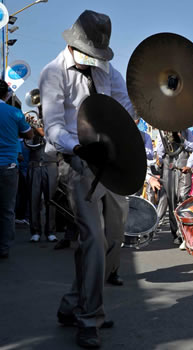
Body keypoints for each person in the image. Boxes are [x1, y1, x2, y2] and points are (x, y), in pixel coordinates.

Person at [39, 10, 135, 348]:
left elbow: (124, 107)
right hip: (76, 163)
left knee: (111, 238)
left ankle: (73, 304)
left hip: (107, 162)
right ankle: (89, 317)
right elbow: (52, 129)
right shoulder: (53, 73)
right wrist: (79, 147)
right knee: (93, 237)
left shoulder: (107, 71)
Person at [0, 79, 33, 259]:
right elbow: (29, 133)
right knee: (7, 210)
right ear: (6, 95)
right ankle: (3, 248)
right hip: (8, 166)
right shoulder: (14, 112)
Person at [155, 129, 193, 247]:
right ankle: (177, 233)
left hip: (183, 169)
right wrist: (166, 138)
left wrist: (182, 140)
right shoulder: (162, 132)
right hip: (169, 168)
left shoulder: (187, 131)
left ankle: (186, 231)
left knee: (183, 198)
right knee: (171, 200)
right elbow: (160, 153)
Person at [26, 105, 59, 243]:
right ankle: (35, 231)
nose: (41, 111)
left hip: (50, 164)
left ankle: (50, 231)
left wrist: (36, 127)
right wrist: (29, 126)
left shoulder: (55, 123)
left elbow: (50, 136)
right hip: (35, 165)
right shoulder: (33, 124)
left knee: (51, 200)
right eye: (39, 108)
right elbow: (27, 140)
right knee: (34, 200)